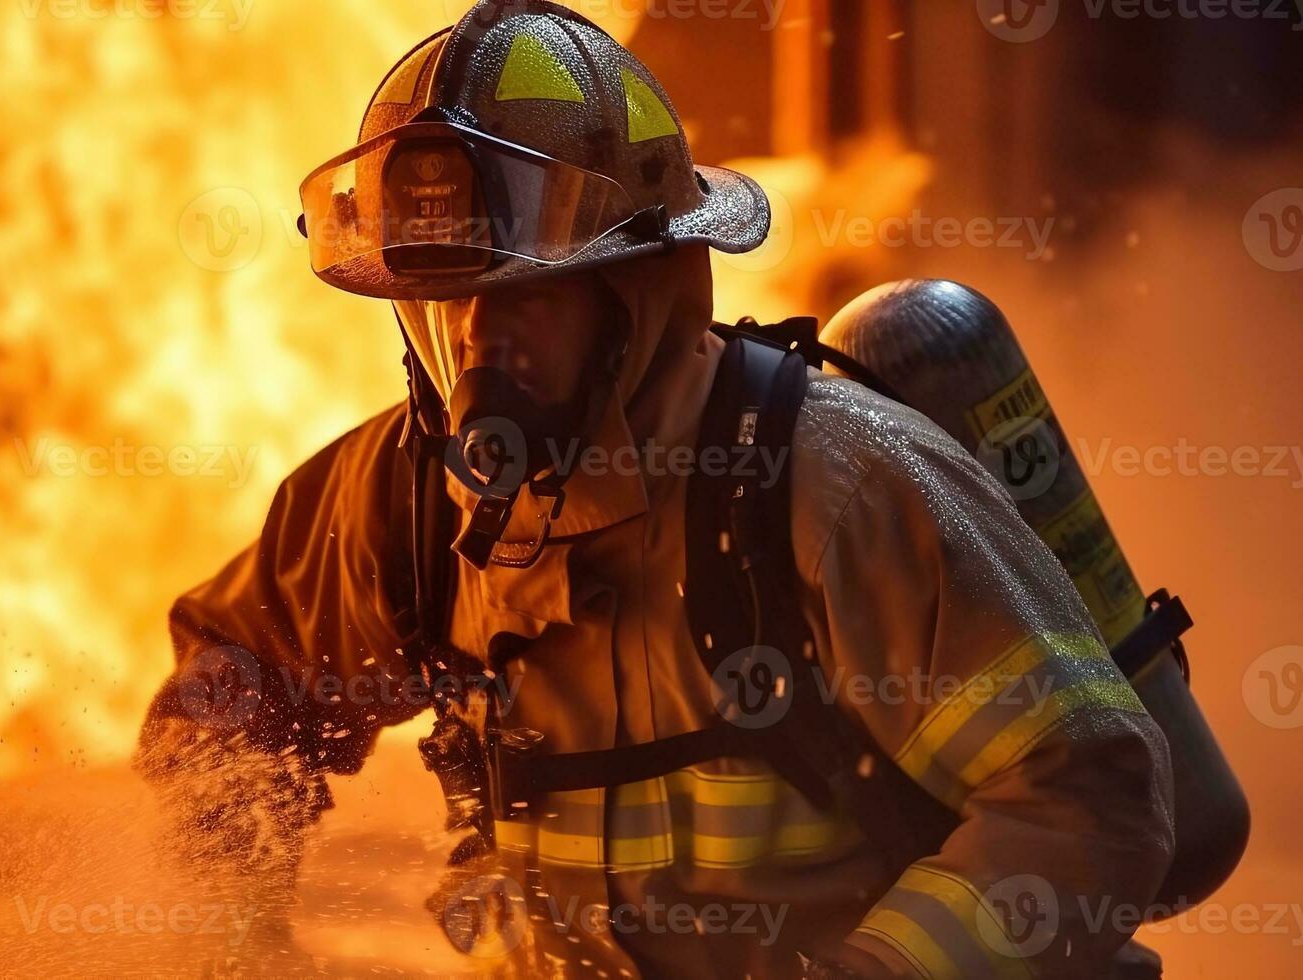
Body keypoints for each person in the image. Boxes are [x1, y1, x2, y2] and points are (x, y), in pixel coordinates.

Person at [137, 2, 1174, 976]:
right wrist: (237, 939)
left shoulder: (833, 487)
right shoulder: (401, 500)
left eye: (526, 292)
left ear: (635, 287)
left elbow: (1084, 794)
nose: (476, 338)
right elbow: (234, 686)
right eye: (443, 294)